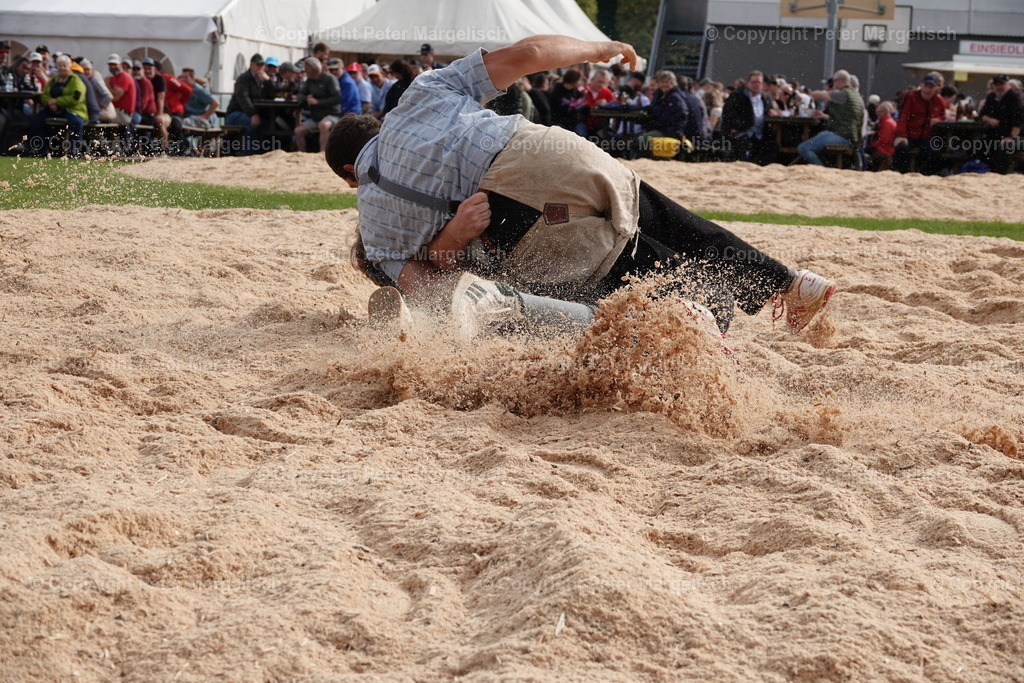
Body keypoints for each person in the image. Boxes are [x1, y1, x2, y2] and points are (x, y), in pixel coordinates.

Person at [322, 35, 836, 341]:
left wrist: (448, 240)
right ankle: (787, 281)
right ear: (377, 121)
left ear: (350, 171)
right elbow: (533, 52)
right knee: (651, 217)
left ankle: (510, 305)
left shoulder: (374, 224)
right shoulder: (420, 95)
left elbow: (425, 290)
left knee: (603, 291)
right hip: (549, 152)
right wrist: (602, 48)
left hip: (512, 219)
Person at [797, 69, 864, 166]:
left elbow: (818, 95)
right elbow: (848, 118)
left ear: (838, 81)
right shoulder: (857, 96)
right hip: (852, 137)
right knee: (821, 136)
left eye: (834, 82)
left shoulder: (842, 93)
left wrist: (805, 94)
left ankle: (821, 171)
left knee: (803, 148)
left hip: (841, 136)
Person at [29, 55, 87, 156]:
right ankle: (43, 150)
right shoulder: (53, 79)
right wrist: (49, 102)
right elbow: (44, 95)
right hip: (53, 110)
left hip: (72, 109)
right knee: (35, 121)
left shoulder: (76, 80)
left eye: (64, 65)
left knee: (76, 122)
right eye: (59, 65)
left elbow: (76, 98)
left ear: (70, 66)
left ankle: (74, 151)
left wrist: (57, 101)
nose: (62, 68)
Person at [892, 73, 947, 174]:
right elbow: (903, 117)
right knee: (901, 148)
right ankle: (902, 174)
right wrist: (901, 135)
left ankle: (925, 175)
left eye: (931, 87)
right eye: (926, 86)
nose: (928, 90)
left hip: (927, 137)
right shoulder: (911, 97)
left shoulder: (940, 101)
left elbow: (944, 116)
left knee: (935, 151)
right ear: (921, 85)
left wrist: (938, 119)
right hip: (910, 135)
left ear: (936, 89)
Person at [720, 70, 777, 165]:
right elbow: (728, 115)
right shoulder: (737, 96)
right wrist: (736, 127)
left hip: (760, 134)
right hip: (742, 132)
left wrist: (771, 112)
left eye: (758, 82)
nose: (756, 84)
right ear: (747, 83)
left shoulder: (765, 97)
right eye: (753, 82)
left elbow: (769, 111)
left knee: (772, 148)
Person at [977, 74, 1023, 174]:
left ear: (1008, 84)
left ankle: (1001, 175)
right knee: (977, 144)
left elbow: (1018, 121)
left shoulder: (1015, 98)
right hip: (995, 134)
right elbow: (982, 115)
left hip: (1014, 136)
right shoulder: (992, 96)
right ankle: (981, 170)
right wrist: (989, 119)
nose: (999, 86)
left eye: (1001, 84)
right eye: (996, 84)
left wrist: (1012, 137)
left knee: (1006, 146)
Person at [295, 57, 341, 153]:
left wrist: (318, 102)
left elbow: (337, 98)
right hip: (315, 117)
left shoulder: (329, 79)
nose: (305, 71)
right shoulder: (309, 81)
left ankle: (322, 153)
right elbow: (300, 95)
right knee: (298, 131)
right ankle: (302, 154)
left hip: (331, 114)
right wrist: (306, 98)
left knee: (323, 125)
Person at [225, 53, 267, 155]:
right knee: (252, 123)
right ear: (251, 65)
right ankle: (248, 154)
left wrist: (268, 81)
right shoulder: (243, 78)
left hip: (248, 113)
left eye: (262, 65)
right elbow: (243, 98)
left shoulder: (262, 79)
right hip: (235, 113)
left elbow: (271, 94)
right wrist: (253, 114)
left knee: (267, 124)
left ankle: (261, 152)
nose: (260, 67)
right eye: (258, 65)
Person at [548, 68, 586, 135]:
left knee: (581, 134)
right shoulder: (557, 91)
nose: (580, 82)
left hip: (575, 122)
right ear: (573, 81)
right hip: (561, 121)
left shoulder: (578, 91)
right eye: (579, 80)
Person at [868, 100, 897, 171]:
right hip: (887, 148)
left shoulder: (886, 123)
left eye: (878, 112)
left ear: (884, 112)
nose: (877, 115)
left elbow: (884, 140)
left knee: (864, 150)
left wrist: (873, 145)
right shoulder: (888, 121)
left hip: (885, 150)